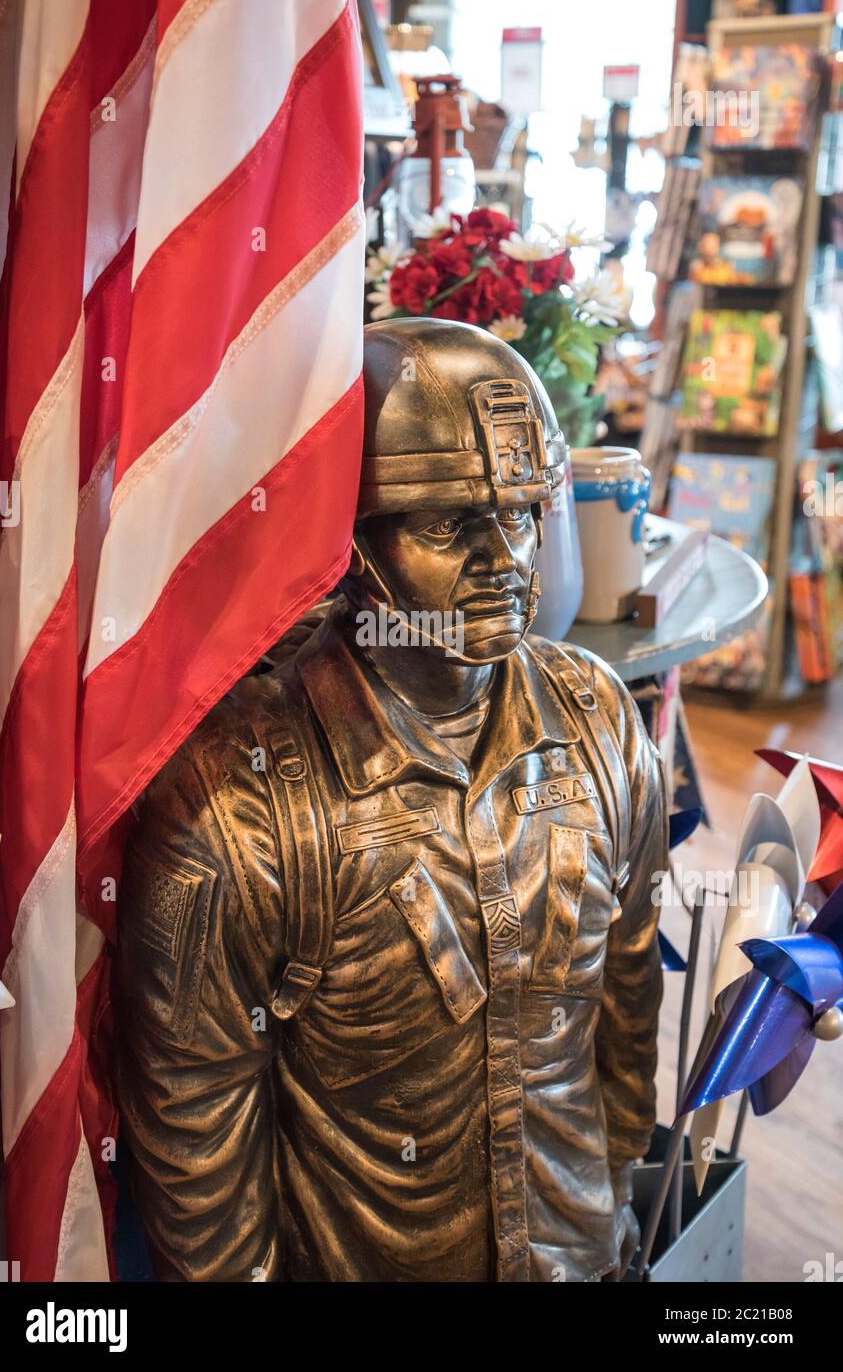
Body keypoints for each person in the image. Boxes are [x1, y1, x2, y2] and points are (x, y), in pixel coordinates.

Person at [115, 318, 667, 1282]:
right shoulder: (237, 803)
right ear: (350, 537)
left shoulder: (602, 723)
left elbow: (625, 1003)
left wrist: (617, 1194)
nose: (505, 559)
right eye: (450, 525)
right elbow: (198, 1128)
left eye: (523, 515)